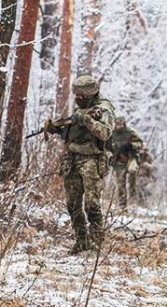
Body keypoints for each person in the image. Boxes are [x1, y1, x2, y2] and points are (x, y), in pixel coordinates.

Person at [49, 75, 115, 254]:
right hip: (72, 158)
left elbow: (105, 133)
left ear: (91, 94)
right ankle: (81, 240)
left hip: (92, 159)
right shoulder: (81, 109)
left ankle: (95, 242)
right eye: (75, 95)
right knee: (72, 203)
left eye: (81, 96)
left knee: (91, 204)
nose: (77, 99)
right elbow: (73, 133)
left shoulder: (104, 108)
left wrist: (87, 120)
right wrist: (58, 130)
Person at [108, 116, 147, 209]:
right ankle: (122, 206)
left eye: (120, 124)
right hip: (119, 162)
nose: (118, 126)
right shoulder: (112, 134)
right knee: (120, 184)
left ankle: (133, 202)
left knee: (132, 177)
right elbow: (107, 147)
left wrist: (131, 145)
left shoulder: (130, 133)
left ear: (124, 124)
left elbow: (141, 144)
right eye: (117, 124)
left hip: (131, 159)